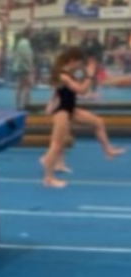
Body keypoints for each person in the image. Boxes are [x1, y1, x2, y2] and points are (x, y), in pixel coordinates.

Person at [40, 47, 125, 188]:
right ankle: (48, 178)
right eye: (79, 63)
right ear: (72, 60)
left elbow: (56, 92)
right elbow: (82, 91)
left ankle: (108, 150)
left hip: (70, 109)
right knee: (56, 145)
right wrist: (90, 75)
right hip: (61, 111)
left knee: (98, 122)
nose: (80, 66)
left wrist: (49, 104)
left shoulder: (67, 73)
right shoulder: (63, 76)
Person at [12, 27, 35, 112]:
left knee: (19, 86)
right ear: (29, 34)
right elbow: (27, 57)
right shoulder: (25, 43)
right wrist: (31, 68)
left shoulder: (20, 42)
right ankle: (26, 105)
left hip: (19, 67)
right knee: (27, 86)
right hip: (24, 68)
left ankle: (18, 105)